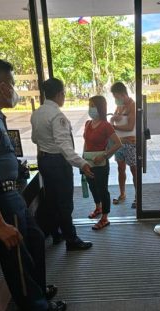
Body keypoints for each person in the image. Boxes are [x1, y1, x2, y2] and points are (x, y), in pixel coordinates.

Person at [0, 57, 65, 311]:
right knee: (17, 257)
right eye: (12, 84)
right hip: (0, 197)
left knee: (34, 240)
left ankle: (36, 290)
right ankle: (35, 308)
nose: (14, 90)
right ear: (2, 87)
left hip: (11, 193)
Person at [31, 78, 94, 250]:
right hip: (57, 162)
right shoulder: (57, 116)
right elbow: (64, 145)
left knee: (51, 198)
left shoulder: (37, 113)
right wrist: (81, 163)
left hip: (43, 160)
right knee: (65, 203)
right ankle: (71, 240)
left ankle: (56, 233)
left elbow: (34, 138)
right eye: (64, 93)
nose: (64, 96)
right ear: (59, 94)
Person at [83, 95, 122, 230]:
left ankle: (105, 218)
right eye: (89, 106)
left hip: (101, 164)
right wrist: (83, 160)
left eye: (93, 106)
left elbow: (118, 144)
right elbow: (86, 143)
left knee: (102, 189)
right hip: (88, 162)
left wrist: (104, 156)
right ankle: (98, 208)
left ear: (100, 107)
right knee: (92, 187)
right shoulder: (88, 123)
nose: (90, 109)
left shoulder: (106, 125)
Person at [110, 82, 138, 209]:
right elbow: (116, 118)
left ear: (123, 94)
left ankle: (138, 197)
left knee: (134, 170)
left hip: (131, 143)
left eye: (116, 97)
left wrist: (114, 126)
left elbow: (130, 126)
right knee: (120, 169)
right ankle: (122, 194)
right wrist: (114, 118)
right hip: (119, 143)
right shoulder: (119, 106)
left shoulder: (133, 105)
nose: (116, 100)